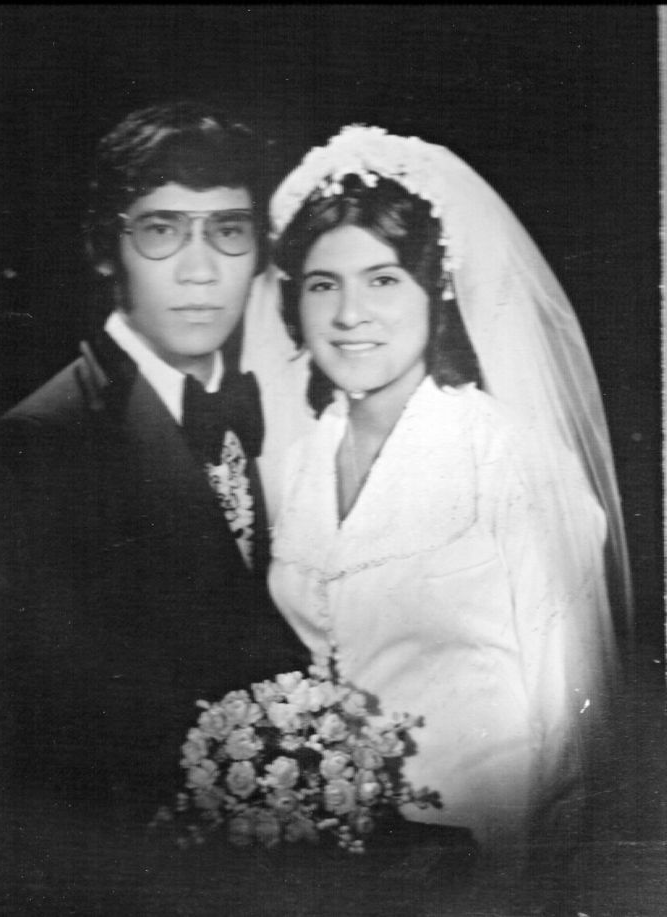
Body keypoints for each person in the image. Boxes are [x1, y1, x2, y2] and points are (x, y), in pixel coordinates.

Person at [264, 126, 632, 882]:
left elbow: (570, 707)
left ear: (438, 289)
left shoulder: (509, 455)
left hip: (487, 852)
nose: (350, 314)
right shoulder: (295, 464)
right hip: (335, 866)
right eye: (323, 284)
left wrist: (530, 879)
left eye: (383, 279)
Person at [0, 100, 311, 813]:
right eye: (161, 231)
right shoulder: (39, 444)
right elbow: (22, 738)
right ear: (105, 249)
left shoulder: (279, 410)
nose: (200, 271)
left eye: (228, 231)